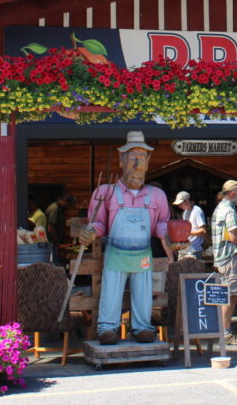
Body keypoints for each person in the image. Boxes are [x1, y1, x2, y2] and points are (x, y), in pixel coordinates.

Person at [78, 131, 173, 345]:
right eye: (132, 158)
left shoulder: (156, 196)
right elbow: (98, 222)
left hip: (142, 253)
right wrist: (90, 231)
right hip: (116, 252)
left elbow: (161, 223)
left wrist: (169, 235)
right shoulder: (106, 192)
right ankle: (107, 327)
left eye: (143, 159)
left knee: (143, 291)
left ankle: (142, 327)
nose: (138, 165)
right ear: (121, 160)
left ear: (149, 163)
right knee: (111, 291)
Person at [211, 179, 237, 346]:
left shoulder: (220, 209)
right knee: (230, 295)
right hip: (229, 257)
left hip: (222, 258)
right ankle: (226, 333)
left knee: (229, 295)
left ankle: (224, 331)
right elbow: (234, 238)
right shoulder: (228, 211)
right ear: (233, 193)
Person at [172, 191, 206, 260]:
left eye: (181, 204)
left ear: (187, 201)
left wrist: (187, 233)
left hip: (194, 250)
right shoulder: (185, 212)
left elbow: (203, 231)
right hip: (185, 249)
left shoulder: (197, 211)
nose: (179, 206)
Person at [44, 194, 76, 263]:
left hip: (56, 243)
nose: (68, 208)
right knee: (53, 263)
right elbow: (50, 228)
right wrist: (58, 244)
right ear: (65, 201)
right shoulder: (54, 209)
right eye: (69, 205)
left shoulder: (59, 209)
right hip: (52, 243)